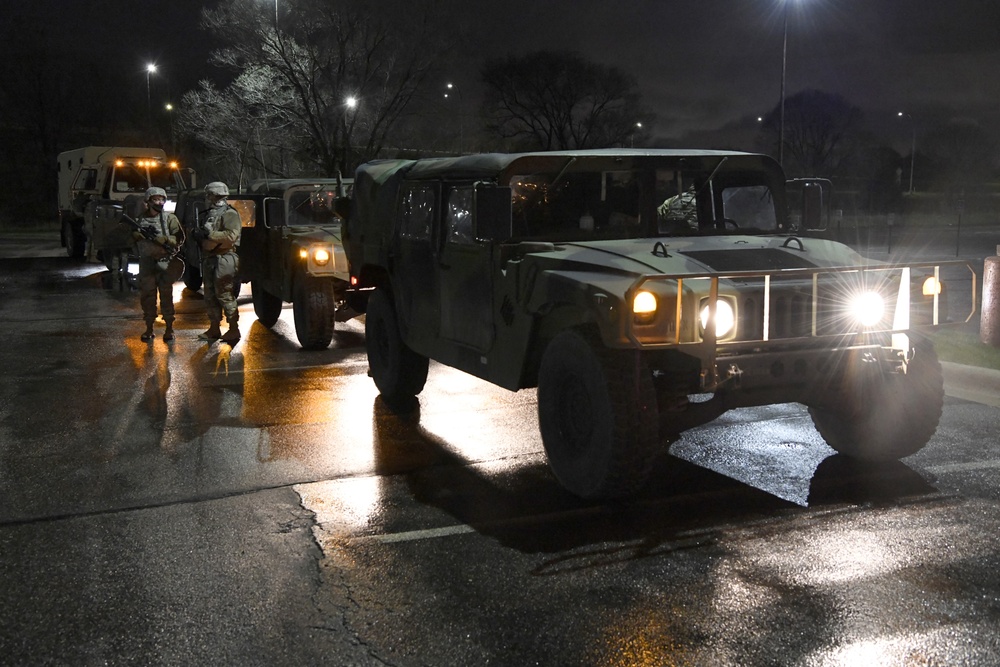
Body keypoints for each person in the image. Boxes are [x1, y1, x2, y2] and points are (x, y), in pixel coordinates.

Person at [193, 181, 242, 344]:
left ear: (215, 196)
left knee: (225, 294)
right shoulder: (210, 213)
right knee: (210, 295)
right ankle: (214, 327)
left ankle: (233, 329)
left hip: (225, 258)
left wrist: (210, 234)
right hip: (210, 258)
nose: (208, 198)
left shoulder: (230, 214)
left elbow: (230, 237)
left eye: (209, 195)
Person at [133, 187, 183, 342]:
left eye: (162, 199)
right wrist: (135, 236)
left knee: (166, 296)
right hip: (147, 262)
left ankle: (169, 328)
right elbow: (129, 241)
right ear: (148, 201)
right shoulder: (139, 220)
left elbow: (180, 238)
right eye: (156, 199)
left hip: (164, 261)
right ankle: (149, 328)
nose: (159, 202)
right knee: (147, 296)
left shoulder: (170, 219)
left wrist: (167, 240)